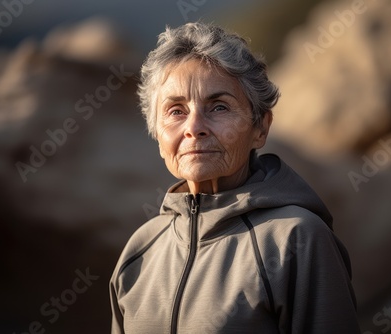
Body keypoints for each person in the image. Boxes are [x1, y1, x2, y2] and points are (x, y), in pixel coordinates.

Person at [110, 22, 361, 334]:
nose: (194, 127)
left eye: (218, 106)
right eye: (176, 111)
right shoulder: (140, 251)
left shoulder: (297, 239)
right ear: (157, 135)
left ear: (260, 128)